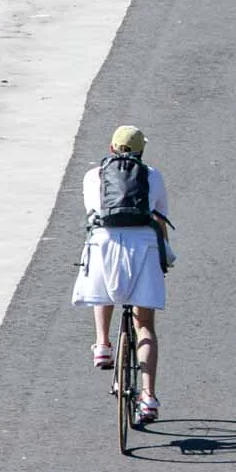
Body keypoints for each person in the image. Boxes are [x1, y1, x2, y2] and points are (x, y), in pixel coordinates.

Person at [73, 125, 172, 421]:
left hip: (104, 243)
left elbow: (94, 212)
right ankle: (148, 397)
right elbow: (160, 217)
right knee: (145, 327)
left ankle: (102, 344)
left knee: (102, 286)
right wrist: (166, 255)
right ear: (142, 151)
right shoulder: (152, 176)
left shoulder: (93, 176)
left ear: (111, 147)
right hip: (144, 246)